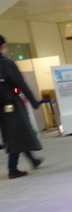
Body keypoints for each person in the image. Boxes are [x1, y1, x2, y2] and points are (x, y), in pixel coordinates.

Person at [0, 35, 43, 179]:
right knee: (16, 134)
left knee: (17, 133)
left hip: (1, 107)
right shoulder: (6, 63)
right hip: (11, 104)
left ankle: (32, 160)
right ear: (3, 46)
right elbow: (20, 83)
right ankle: (12, 168)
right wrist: (33, 101)